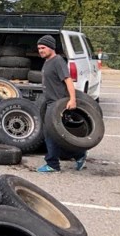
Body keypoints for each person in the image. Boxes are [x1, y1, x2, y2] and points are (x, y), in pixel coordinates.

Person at [36, 34, 87, 173]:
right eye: (39, 48)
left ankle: (54, 164)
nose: (41, 50)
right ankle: (78, 156)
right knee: (55, 135)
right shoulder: (47, 61)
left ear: (51, 47)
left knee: (51, 134)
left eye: (43, 48)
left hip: (58, 104)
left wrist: (72, 99)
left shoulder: (58, 61)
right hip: (49, 103)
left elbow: (68, 80)